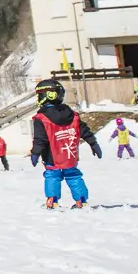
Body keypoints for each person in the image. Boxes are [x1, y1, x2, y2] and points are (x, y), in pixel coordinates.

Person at [29, 78, 102, 208]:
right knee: (73, 175)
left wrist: (35, 153)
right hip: (70, 155)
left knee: (52, 176)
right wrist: (93, 143)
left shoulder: (41, 118)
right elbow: (83, 130)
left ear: (46, 96)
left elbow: (40, 139)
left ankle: (52, 200)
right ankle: (81, 200)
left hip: (52, 156)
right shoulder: (72, 114)